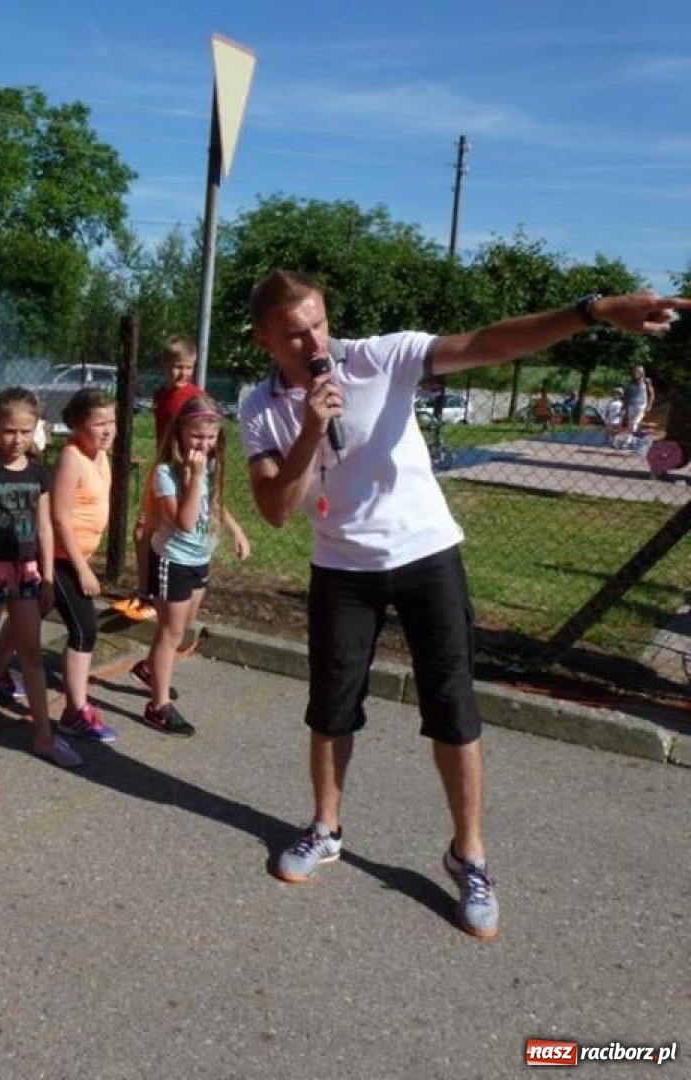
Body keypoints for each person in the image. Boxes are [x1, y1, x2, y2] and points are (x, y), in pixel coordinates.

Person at [240, 269, 688, 941]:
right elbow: (275, 512)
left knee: (453, 708)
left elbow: (488, 343)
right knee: (331, 708)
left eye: (319, 324)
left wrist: (592, 311)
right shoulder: (259, 406)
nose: (314, 343)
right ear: (266, 339)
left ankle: (468, 855)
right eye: (295, 333)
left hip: (426, 556)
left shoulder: (379, 357)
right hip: (343, 569)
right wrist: (309, 429)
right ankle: (325, 828)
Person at [0, 388, 91, 769]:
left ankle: (44, 734)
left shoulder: (37, 471)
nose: (16, 440)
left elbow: (45, 527)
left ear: (37, 430)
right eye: (9, 431)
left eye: (25, 432)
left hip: (26, 573)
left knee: (30, 652)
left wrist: (47, 577)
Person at [133, 395, 250, 736]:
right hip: (174, 560)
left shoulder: (210, 466)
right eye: (197, 436)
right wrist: (195, 477)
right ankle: (158, 707)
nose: (205, 444)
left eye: (211, 437)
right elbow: (183, 522)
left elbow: (214, 503)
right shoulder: (166, 474)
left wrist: (236, 531)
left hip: (200, 558)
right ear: (181, 433)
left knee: (183, 628)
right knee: (170, 632)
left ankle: (151, 668)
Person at [49, 387, 119, 752]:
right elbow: (59, 519)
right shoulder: (71, 459)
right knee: (83, 630)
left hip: (79, 557)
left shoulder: (101, 457)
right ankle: (74, 711)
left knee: (24, 621)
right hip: (63, 558)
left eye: (111, 422)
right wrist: (82, 569)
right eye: (99, 424)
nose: (107, 430)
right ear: (78, 426)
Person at [115, 335, 203, 625]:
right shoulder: (160, 395)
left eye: (188, 367)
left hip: (182, 472)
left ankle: (166, 598)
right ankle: (145, 592)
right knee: (143, 532)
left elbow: (205, 434)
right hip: (162, 468)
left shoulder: (195, 397)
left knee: (168, 532)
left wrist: (191, 471)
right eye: (177, 366)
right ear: (164, 366)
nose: (182, 374)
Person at [624, 365, 655, 434]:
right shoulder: (630, 382)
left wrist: (649, 405)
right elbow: (626, 394)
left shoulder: (646, 381)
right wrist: (625, 405)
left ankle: (631, 437)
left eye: (638, 372)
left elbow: (651, 394)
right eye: (635, 372)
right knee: (631, 423)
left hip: (641, 405)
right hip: (631, 405)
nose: (636, 373)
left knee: (635, 422)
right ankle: (630, 439)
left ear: (642, 373)